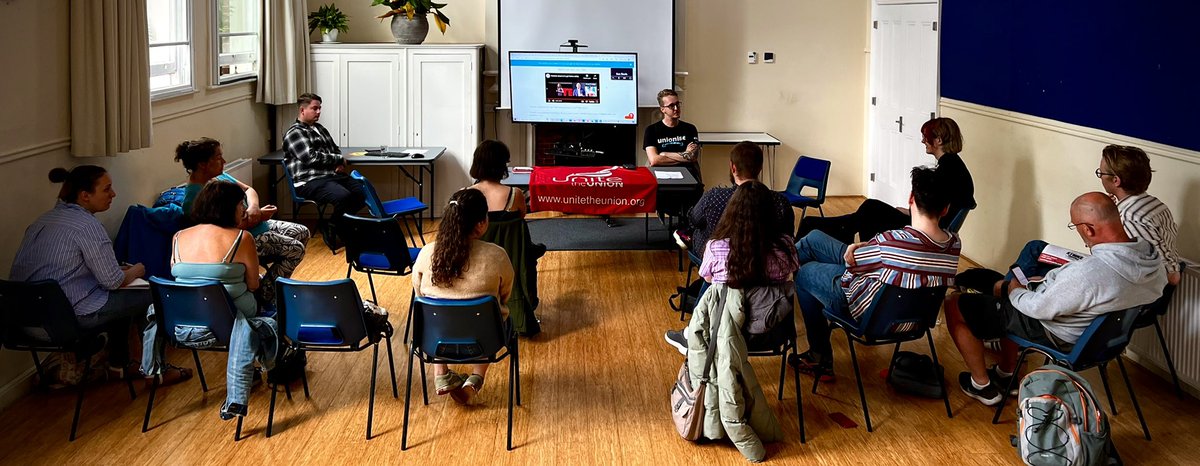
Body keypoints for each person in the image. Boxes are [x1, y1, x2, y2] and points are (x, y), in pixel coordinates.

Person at [944, 192, 1166, 406]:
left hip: (1056, 332)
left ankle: (981, 385)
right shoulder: (1150, 258)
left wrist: (1016, 291)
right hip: (1101, 338)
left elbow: (1038, 307)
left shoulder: (1091, 273)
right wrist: (1048, 283)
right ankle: (1006, 372)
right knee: (1000, 284)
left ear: (1088, 229)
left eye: (1075, 226)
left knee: (955, 304)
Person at [10, 166, 190, 383]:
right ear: (85, 196)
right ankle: (156, 370)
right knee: (151, 295)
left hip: (24, 321)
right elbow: (113, 281)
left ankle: (119, 365)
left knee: (120, 301)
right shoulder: (87, 226)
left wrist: (118, 272)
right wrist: (136, 270)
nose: (113, 194)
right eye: (107, 189)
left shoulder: (42, 221)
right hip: (63, 322)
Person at [789, 166, 961, 379]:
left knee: (805, 273)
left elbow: (851, 263)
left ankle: (818, 356)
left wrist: (857, 249)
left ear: (911, 199)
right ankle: (777, 271)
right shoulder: (954, 244)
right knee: (813, 238)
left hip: (872, 313)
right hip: (916, 316)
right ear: (946, 209)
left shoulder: (892, 241)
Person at [963, 144, 1181, 297]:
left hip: (1112, 282)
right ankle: (1006, 294)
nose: (1100, 177)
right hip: (1115, 275)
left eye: (1101, 173)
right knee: (1036, 248)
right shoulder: (1155, 204)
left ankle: (1005, 308)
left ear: (1116, 180)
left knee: (1033, 258)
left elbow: (1160, 272)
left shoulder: (1129, 218)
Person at [168, 180, 278, 419]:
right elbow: (253, 284)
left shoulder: (178, 237)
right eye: (241, 204)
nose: (244, 210)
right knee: (272, 305)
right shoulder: (242, 238)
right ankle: (272, 367)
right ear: (229, 207)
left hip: (183, 321)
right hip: (228, 322)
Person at [664, 181, 800, 354]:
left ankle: (692, 334)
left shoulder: (716, 247)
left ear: (733, 211)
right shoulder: (786, 246)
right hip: (771, 331)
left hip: (723, 331)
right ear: (771, 212)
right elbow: (792, 271)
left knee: (713, 291)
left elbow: (707, 279)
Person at [175, 137, 311, 304]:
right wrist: (257, 216)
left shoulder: (219, 177)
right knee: (295, 249)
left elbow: (248, 189)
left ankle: (262, 279)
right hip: (244, 237)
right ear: (203, 164)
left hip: (254, 224)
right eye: (218, 158)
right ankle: (265, 294)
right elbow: (220, 232)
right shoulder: (195, 198)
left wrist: (254, 207)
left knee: (302, 232)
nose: (224, 161)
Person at [797, 117, 975, 244]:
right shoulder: (954, 166)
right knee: (870, 208)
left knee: (871, 209)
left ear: (938, 140)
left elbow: (936, 212)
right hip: (930, 224)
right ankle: (845, 230)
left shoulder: (947, 170)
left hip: (926, 229)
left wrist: (909, 213)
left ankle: (844, 233)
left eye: (926, 137)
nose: (923, 141)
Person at [411, 189, 514, 405]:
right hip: (485, 340)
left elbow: (419, 293)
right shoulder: (497, 255)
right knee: (493, 313)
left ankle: (441, 374)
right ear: (480, 223)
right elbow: (505, 296)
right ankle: (475, 379)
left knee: (436, 312)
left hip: (435, 341)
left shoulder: (426, 253)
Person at [283, 92, 366, 249]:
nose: (319, 112)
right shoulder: (295, 133)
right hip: (309, 181)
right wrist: (338, 160)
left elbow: (334, 149)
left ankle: (333, 225)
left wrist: (338, 161)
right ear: (302, 110)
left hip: (330, 176)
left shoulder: (320, 129)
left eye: (320, 108)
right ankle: (339, 230)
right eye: (315, 108)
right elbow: (311, 158)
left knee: (362, 192)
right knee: (343, 196)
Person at [681, 141, 794, 257]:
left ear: (733, 167)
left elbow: (694, 220)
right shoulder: (780, 201)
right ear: (760, 167)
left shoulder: (713, 196)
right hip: (764, 259)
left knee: (697, 229)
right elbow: (787, 235)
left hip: (718, 259)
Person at [644, 89, 701, 181]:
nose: (676, 108)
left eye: (677, 104)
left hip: (688, 177)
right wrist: (684, 156)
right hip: (661, 177)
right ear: (662, 109)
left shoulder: (690, 128)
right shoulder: (651, 130)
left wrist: (664, 154)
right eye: (671, 106)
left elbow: (692, 157)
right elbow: (654, 160)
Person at [468, 140, 527, 218]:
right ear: (503, 165)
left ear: (476, 164)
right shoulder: (515, 194)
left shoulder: (463, 196)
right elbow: (521, 219)